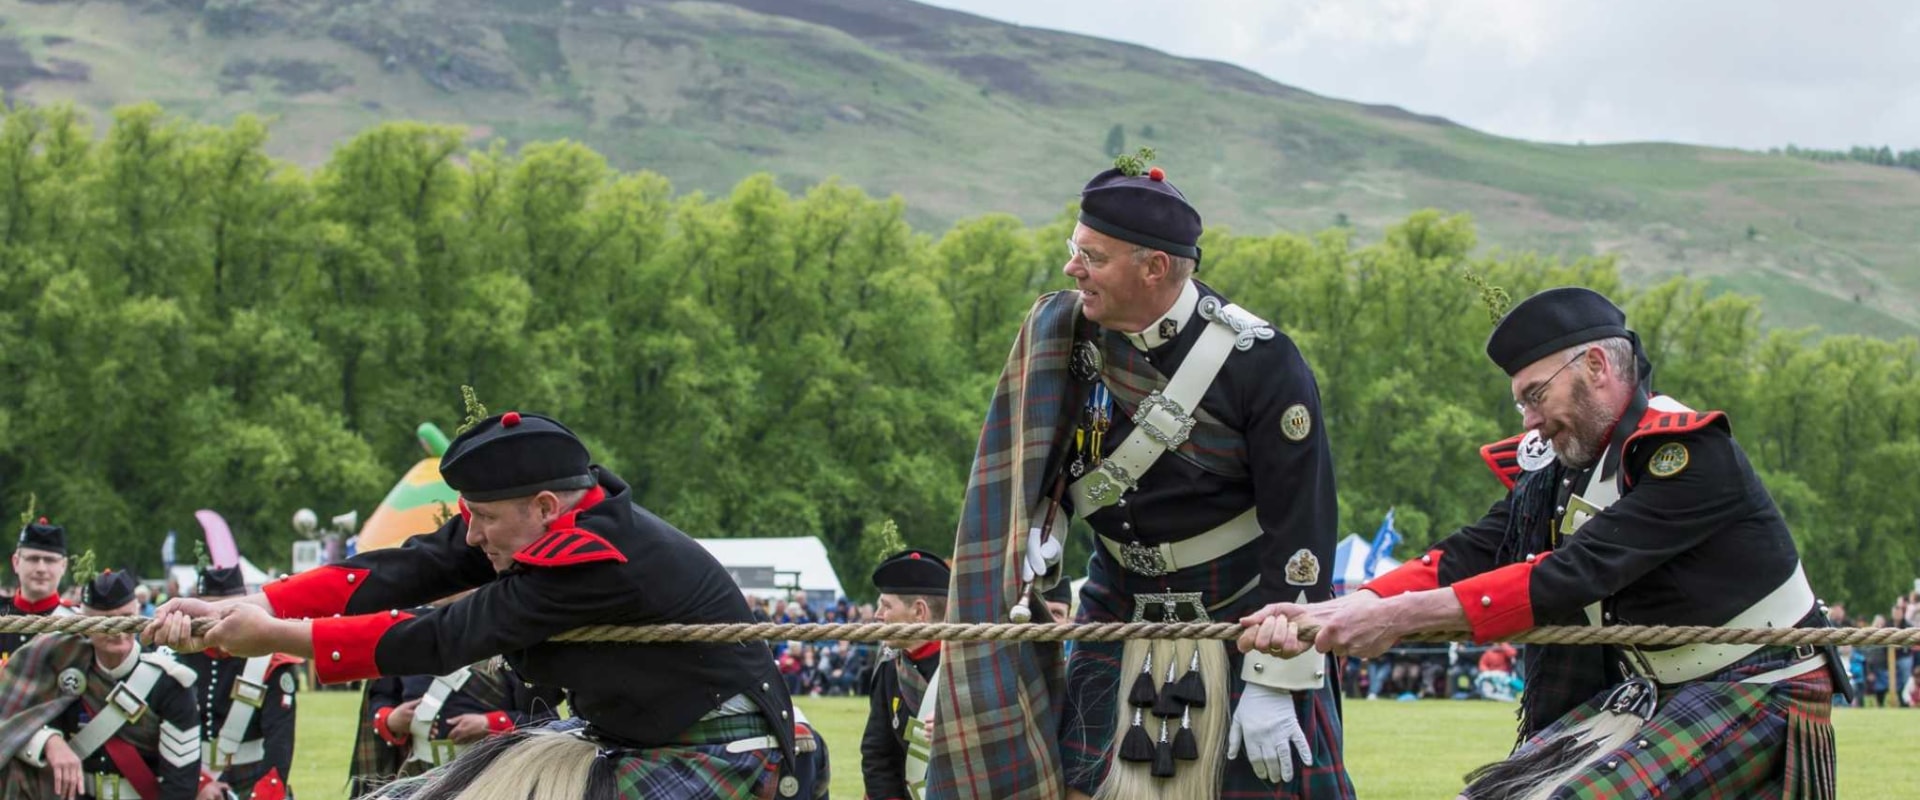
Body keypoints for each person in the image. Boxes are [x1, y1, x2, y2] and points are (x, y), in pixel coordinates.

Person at [1239, 287, 1849, 799]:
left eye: (1536, 395)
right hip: (1655, 687)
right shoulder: (1564, 464)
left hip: (1762, 685)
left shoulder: (1688, 453)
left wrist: (1396, 617)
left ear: (1596, 368)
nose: (1528, 420)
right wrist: (1358, 601)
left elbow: (1570, 575)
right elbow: (1476, 550)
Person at [928, 154, 1352, 800]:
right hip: (1114, 612)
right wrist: (1050, 519)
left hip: (1242, 621)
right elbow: (1049, 456)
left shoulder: (1262, 363)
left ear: (1153, 267)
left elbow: (1303, 533)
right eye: (1074, 250)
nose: (1073, 269)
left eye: (1092, 257)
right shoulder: (1067, 337)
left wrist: (1274, 675)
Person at [148, 410, 808, 800]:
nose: (471, 535)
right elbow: (413, 566)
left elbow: (444, 635)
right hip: (630, 741)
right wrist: (255, 598)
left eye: (483, 517)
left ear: (546, 507)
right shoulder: (527, 524)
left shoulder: (593, 559)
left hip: (721, 757)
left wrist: (278, 638)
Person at [0, 568, 202, 800]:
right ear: (83, 623)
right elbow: (10, 720)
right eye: (105, 622)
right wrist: (49, 741)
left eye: (126, 619)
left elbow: (180, 786)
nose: (117, 631)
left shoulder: (170, 684)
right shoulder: (62, 667)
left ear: (138, 612)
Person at [349, 650, 564, 793]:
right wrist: (390, 719)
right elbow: (381, 697)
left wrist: (489, 724)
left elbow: (545, 719)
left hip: (492, 778)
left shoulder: (506, 638)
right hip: (417, 775)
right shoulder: (405, 634)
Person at [174, 566, 303, 800]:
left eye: (228, 608)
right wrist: (198, 783)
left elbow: (279, 742)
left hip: (253, 782)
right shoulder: (177, 656)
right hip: (187, 781)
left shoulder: (271, 663)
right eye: (212, 607)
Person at [860, 549, 949, 800]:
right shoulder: (890, 665)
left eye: (886, 605)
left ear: (919, 612)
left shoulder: (968, 665)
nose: (878, 615)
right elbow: (879, 753)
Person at [2, 517, 74, 665]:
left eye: (50, 560)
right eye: (33, 559)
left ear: (63, 566)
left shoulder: (75, 622)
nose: (41, 569)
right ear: (16, 562)